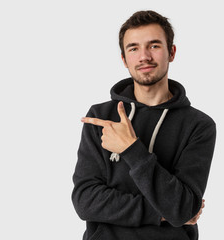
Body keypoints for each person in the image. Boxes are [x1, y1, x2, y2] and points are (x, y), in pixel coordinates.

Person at [72, 10, 216, 240]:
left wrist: (131, 149)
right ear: (124, 59)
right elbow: (85, 201)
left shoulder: (198, 125)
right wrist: (162, 214)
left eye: (154, 46)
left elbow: (182, 207)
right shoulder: (101, 117)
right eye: (134, 48)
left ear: (172, 52)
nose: (144, 57)